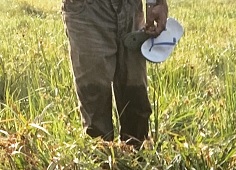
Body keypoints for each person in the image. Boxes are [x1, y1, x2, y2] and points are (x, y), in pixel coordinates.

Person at [61, 0, 169, 145]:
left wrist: (156, 2)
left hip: (130, 7)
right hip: (87, 9)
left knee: (136, 102)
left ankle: (137, 162)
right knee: (95, 109)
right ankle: (102, 164)